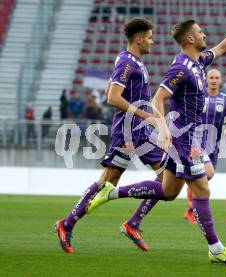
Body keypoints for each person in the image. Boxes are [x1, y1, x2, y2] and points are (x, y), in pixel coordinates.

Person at [87, 12, 226, 265]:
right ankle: (216, 250)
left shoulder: (199, 61)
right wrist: (162, 128)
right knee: (202, 187)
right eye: (201, 31)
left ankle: (110, 193)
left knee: (169, 191)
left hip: (188, 136)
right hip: (183, 138)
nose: (205, 34)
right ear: (191, 39)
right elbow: (157, 98)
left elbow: (225, 45)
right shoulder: (181, 67)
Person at [54, 18, 164, 254]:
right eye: (150, 37)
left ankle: (129, 223)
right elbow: (112, 97)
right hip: (129, 131)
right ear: (139, 38)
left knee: (161, 177)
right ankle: (69, 223)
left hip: (138, 131)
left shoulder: (133, 62)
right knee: (118, 180)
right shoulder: (127, 61)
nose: (152, 41)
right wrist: (144, 115)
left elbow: (110, 89)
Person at [183, 68, 226, 224]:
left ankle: (191, 208)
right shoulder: (199, 96)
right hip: (196, 142)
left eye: (216, 77)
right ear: (206, 80)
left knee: (205, 177)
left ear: (220, 80)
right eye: (211, 77)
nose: (213, 80)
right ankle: (193, 204)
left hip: (213, 146)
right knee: (208, 173)